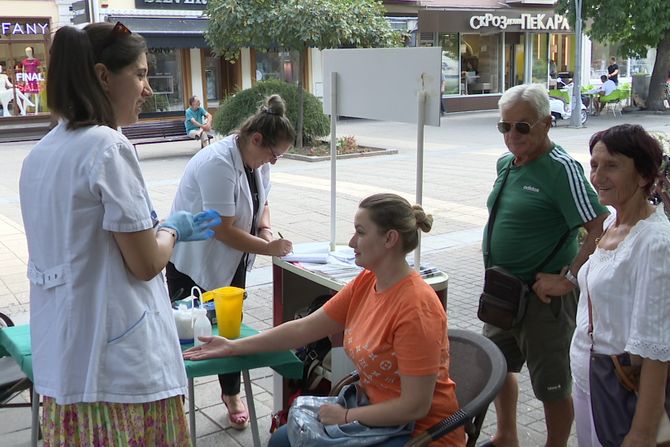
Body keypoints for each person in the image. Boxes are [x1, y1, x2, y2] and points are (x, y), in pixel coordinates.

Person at [18, 22, 221, 446]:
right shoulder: (108, 147)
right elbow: (146, 263)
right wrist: (173, 229)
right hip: (118, 373)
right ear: (103, 77)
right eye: (141, 74)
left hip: (66, 364)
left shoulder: (41, 154)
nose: (148, 90)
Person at [185, 193, 465, 447]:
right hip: (376, 418)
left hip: (421, 434)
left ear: (390, 239)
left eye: (360, 232)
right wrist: (233, 346)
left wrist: (345, 415)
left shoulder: (416, 308)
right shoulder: (368, 282)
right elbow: (303, 329)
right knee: (282, 439)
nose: (352, 242)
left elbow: (415, 406)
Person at [482, 83, 608, 447]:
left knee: (552, 385)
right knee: (499, 367)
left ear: (546, 124)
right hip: (503, 292)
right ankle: (507, 434)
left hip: (542, 301)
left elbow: (599, 226)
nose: (512, 135)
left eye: (522, 126)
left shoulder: (561, 169)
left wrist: (569, 278)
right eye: (505, 126)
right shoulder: (507, 164)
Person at [167, 94, 295, 430]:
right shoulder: (218, 164)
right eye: (274, 154)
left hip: (232, 261)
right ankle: (174, 399)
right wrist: (271, 250)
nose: (274, 161)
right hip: (192, 262)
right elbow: (221, 230)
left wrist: (266, 229)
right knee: (186, 333)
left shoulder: (258, 161)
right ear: (256, 139)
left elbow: (262, 201)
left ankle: (231, 393)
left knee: (229, 328)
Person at [570, 124, 670, 447]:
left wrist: (641, 432)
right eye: (594, 165)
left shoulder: (655, 243)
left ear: (642, 176)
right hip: (590, 380)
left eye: (611, 165)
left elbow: (657, 348)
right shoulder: (615, 221)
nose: (597, 177)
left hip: (619, 387)